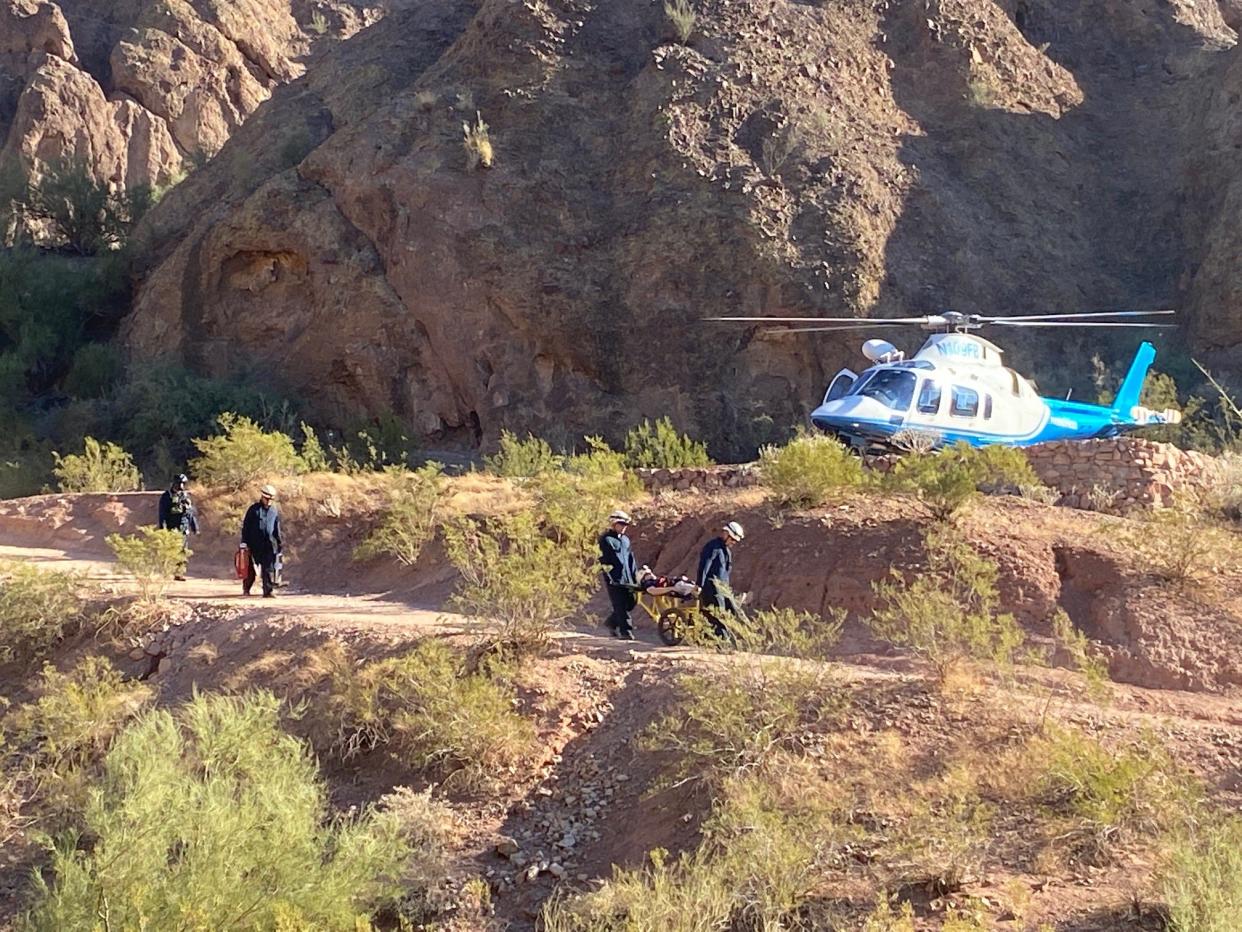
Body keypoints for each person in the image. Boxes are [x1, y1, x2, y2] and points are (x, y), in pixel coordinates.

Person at [697, 521, 745, 640]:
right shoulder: (713, 547)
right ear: (726, 534)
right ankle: (722, 644)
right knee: (718, 616)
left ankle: (725, 640)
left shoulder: (726, 551)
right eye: (732, 539)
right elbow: (704, 566)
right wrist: (699, 585)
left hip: (723, 589)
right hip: (711, 589)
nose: (733, 543)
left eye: (735, 541)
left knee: (732, 612)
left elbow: (725, 572)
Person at [598, 509, 638, 640]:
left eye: (625, 525)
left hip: (628, 579)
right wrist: (609, 576)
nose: (624, 528)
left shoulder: (626, 540)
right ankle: (626, 632)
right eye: (621, 524)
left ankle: (611, 622)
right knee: (620, 605)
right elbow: (603, 560)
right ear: (614, 524)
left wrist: (635, 577)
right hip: (614, 579)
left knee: (631, 602)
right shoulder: (606, 540)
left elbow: (631, 559)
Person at [240, 484, 283, 598]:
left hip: (269, 545)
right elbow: (246, 527)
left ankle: (268, 591)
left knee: (268, 568)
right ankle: (246, 589)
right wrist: (244, 543)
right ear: (263, 497)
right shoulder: (253, 510)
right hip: (253, 545)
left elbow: (276, 528)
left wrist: (279, 543)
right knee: (250, 570)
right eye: (267, 499)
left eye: (271, 500)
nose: (269, 501)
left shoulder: (274, 511)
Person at [157, 474, 199, 581]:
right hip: (172, 528)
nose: (180, 486)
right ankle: (166, 571)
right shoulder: (167, 496)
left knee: (183, 552)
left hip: (183, 529)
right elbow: (162, 513)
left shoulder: (185, 496)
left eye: (183, 484)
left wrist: (195, 527)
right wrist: (162, 528)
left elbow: (190, 513)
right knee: (171, 551)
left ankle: (179, 573)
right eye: (179, 483)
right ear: (174, 483)